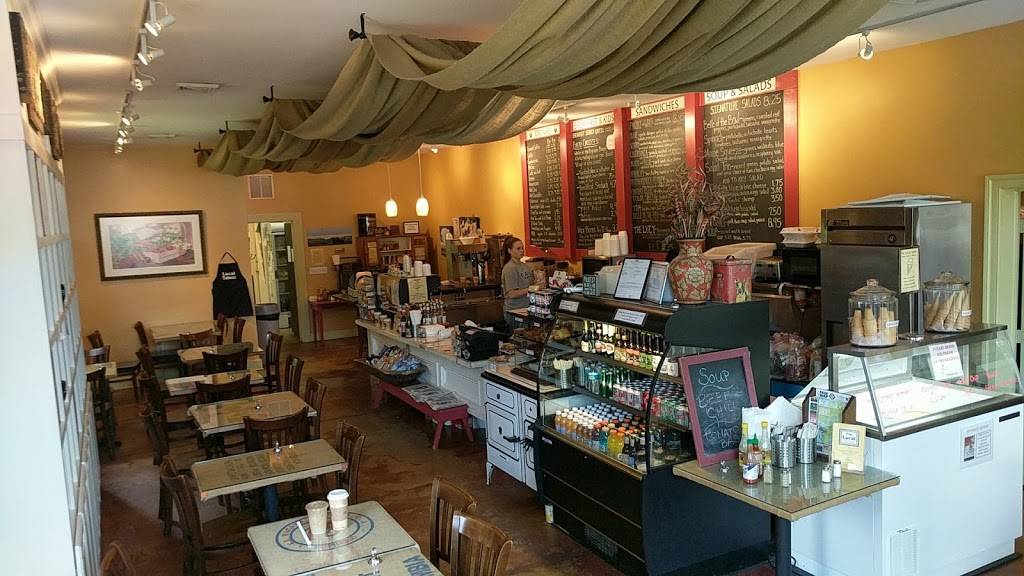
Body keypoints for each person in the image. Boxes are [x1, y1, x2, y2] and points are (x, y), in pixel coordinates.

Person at [501, 236, 533, 328]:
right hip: (515, 311)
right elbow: (511, 294)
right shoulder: (509, 268)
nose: (522, 251)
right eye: (518, 249)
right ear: (509, 251)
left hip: (526, 309)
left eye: (522, 248)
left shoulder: (525, 266)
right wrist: (530, 289)